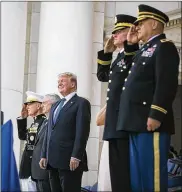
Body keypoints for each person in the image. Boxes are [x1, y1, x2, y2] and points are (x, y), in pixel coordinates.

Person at [116, 4, 180, 192]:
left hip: (150, 122)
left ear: (153, 24)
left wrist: (156, 114)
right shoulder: (144, 50)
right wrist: (131, 43)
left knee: (153, 177)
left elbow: (166, 83)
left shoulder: (164, 47)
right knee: (138, 177)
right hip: (136, 121)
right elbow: (127, 70)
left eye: (141, 23)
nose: (136, 27)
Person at [96, 14, 138, 192]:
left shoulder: (132, 55)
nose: (114, 35)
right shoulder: (118, 58)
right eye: (113, 32)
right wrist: (106, 54)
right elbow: (102, 76)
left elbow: (132, 60)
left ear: (129, 32)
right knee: (115, 172)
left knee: (122, 173)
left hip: (123, 121)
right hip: (114, 121)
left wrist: (130, 42)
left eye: (118, 31)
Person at [40, 72, 91, 192]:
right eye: (58, 82)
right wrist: (44, 154)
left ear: (73, 84)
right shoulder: (55, 105)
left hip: (70, 161)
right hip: (52, 160)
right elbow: (49, 132)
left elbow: (82, 132)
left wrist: (76, 156)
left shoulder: (81, 103)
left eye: (63, 81)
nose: (59, 83)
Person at [17, 91, 46, 191]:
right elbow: (22, 136)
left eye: (30, 104)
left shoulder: (43, 122)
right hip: (28, 167)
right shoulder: (35, 123)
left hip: (36, 169)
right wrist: (23, 119)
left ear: (38, 106)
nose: (27, 107)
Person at [31, 94, 60, 191]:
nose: (42, 105)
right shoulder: (45, 122)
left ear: (53, 104)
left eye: (44, 103)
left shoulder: (57, 121)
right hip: (38, 170)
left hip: (46, 170)